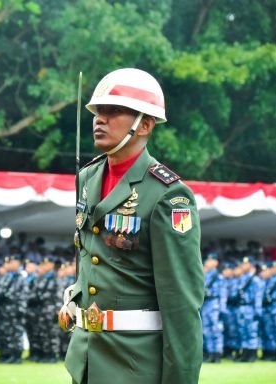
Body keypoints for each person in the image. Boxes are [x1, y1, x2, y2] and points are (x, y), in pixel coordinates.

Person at [60, 68, 204, 384]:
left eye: (114, 111)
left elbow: (181, 301)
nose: (100, 119)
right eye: (98, 111)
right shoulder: (86, 178)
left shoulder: (168, 194)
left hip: (134, 365)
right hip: (85, 359)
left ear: (146, 124)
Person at [233, 256, 264, 362]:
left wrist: (257, 311)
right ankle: (245, 353)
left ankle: (252, 354)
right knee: (243, 331)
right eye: (243, 263)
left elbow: (258, 297)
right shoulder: (242, 278)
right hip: (242, 307)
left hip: (251, 308)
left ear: (251, 265)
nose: (243, 266)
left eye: (246, 264)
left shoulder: (255, 279)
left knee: (252, 332)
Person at [31, 257, 60, 363]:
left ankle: (53, 355)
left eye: (47, 264)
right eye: (43, 264)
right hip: (43, 308)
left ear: (52, 265)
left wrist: (58, 310)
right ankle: (46, 353)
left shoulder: (55, 277)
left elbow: (58, 294)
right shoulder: (44, 277)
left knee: (52, 333)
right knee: (44, 332)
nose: (44, 266)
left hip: (52, 308)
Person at [1, 255, 27, 364]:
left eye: (13, 262)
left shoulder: (21, 277)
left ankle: (17, 355)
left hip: (17, 309)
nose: (11, 264)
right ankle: (12, 354)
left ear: (18, 263)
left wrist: (21, 309)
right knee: (10, 332)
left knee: (17, 333)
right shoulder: (10, 276)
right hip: (8, 309)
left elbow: (23, 295)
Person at [201, 253, 224, 363]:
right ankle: (210, 353)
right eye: (207, 260)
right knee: (206, 330)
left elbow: (223, 294)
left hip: (215, 304)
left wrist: (222, 309)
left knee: (216, 330)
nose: (207, 262)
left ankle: (217, 353)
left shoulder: (218, 276)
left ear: (216, 262)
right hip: (206, 304)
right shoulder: (205, 274)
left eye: (210, 260)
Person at [260, 261, 276, 361]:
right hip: (269, 308)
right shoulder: (269, 280)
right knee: (270, 332)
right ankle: (272, 353)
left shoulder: (275, 280)